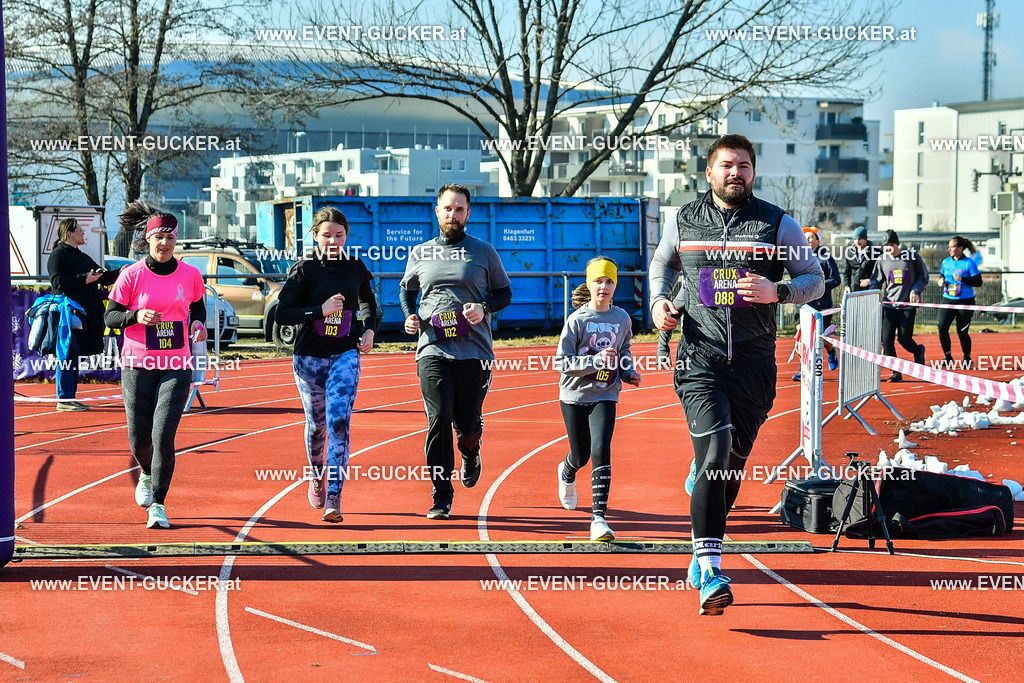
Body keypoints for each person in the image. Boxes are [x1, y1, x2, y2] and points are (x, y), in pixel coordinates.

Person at [648, 134, 824, 615]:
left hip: (753, 365)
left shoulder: (777, 223)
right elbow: (662, 263)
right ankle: (711, 568)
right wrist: (659, 302)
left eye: (744, 165)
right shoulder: (682, 219)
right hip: (700, 359)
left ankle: (700, 546)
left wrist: (779, 291)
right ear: (709, 172)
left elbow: (814, 279)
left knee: (730, 467)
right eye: (727, 165)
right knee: (717, 448)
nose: (736, 173)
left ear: (753, 172)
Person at [400, 184, 512, 520]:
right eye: (447, 209)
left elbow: (504, 293)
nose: (453, 215)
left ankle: (471, 452)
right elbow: (407, 290)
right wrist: (409, 315)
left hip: (474, 352)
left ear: (468, 213)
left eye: (459, 209)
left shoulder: (483, 251)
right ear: (437, 212)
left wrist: (484, 307)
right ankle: (441, 494)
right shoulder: (421, 252)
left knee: (467, 426)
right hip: (432, 349)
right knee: (438, 420)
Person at [104, 202, 207, 529]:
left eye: (170, 238)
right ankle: (147, 473)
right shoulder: (131, 275)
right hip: (137, 364)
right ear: (148, 239)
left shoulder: (190, 274)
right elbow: (110, 317)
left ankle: (159, 505)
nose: (165, 243)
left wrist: (198, 325)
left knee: (163, 435)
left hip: (176, 363)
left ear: (176, 241)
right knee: (139, 439)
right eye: (159, 237)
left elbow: (198, 308)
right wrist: (136, 315)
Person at [275, 206, 378, 523]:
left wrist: (369, 329)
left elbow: (368, 302)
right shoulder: (305, 269)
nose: (333, 241)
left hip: (345, 354)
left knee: (339, 422)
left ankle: (334, 497)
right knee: (317, 426)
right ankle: (316, 474)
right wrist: (319, 310)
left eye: (339, 235)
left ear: (346, 235)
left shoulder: (355, 267)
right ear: (315, 236)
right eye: (327, 235)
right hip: (309, 357)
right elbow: (282, 315)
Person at [555, 257, 642, 542]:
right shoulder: (577, 320)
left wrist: (628, 372)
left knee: (601, 448)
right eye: (598, 281)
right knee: (581, 455)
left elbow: (624, 349)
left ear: (615, 285)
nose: (604, 286)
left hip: (606, 392)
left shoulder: (622, 318)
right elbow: (561, 362)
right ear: (589, 284)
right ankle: (567, 472)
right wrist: (594, 361)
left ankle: (598, 518)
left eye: (609, 281)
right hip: (575, 395)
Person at [46, 218, 122, 411]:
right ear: (70, 233)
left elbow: (103, 277)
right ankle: (64, 399)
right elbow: (57, 282)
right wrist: (84, 279)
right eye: (80, 230)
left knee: (74, 353)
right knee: (67, 353)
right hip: (67, 314)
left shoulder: (82, 256)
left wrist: (121, 272)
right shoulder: (58, 254)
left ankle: (69, 397)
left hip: (83, 315)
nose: (83, 232)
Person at [869, 229, 928, 382]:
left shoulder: (911, 257)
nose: (889, 248)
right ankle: (896, 372)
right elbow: (876, 280)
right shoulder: (882, 260)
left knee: (904, 339)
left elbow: (923, 276)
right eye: (886, 245)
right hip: (889, 305)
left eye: (891, 245)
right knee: (887, 340)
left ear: (897, 244)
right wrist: (874, 292)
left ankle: (918, 350)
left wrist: (916, 290)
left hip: (907, 306)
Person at [791, 226, 841, 381]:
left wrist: (818, 285)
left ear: (818, 240)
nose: (808, 240)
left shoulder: (825, 258)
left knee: (819, 338)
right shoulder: (798, 257)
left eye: (811, 237)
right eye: (805, 237)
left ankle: (831, 350)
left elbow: (836, 279)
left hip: (822, 305)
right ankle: (804, 370)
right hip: (803, 304)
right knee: (801, 337)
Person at [937, 235, 982, 370]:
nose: (949, 249)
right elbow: (942, 275)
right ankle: (948, 356)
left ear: (960, 248)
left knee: (962, 331)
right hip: (948, 299)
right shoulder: (946, 262)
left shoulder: (969, 263)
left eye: (952, 247)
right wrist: (940, 280)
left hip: (965, 301)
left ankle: (967, 358)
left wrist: (963, 279)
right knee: (942, 327)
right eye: (949, 247)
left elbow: (978, 282)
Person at [843, 226, 880, 294]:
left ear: (865, 239)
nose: (857, 241)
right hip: (853, 291)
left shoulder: (876, 253)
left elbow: (880, 274)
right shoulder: (850, 253)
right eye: (855, 239)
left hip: (869, 291)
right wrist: (847, 286)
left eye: (860, 239)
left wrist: (871, 281)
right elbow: (846, 272)